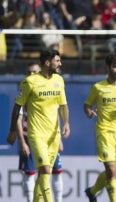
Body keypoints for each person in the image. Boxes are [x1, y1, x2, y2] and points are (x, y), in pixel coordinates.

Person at [7, 49, 70, 202]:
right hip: (37, 135)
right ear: (47, 63)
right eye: (57, 61)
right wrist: (12, 131)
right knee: (45, 170)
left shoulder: (59, 80)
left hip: (53, 135)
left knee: (44, 175)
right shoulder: (29, 82)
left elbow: (63, 105)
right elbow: (17, 107)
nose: (60, 64)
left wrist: (67, 122)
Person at [83, 54, 116, 202]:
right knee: (112, 171)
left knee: (112, 173)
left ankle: (92, 191)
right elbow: (87, 105)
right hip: (104, 132)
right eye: (115, 67)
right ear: (108, 68)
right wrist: (89, 112)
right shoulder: (98, 87)